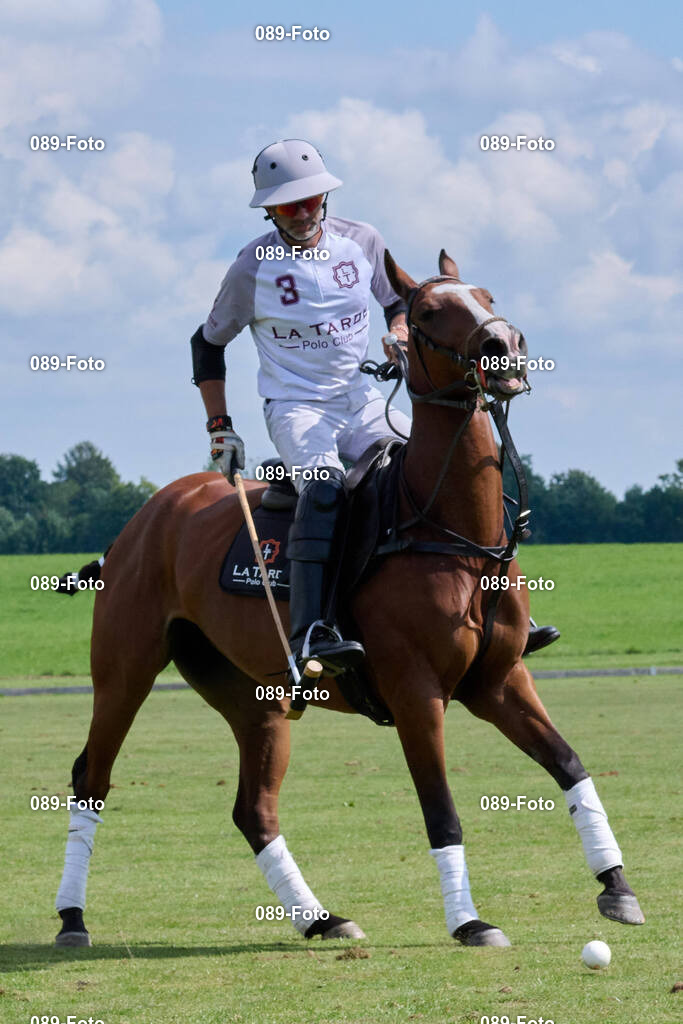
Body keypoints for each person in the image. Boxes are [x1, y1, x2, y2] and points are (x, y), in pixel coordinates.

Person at [191, 139, 558, 675]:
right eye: (289, 204)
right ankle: (312, 631)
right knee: (323, 488)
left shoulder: (362, 241)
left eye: (312, 200)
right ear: (268, 208)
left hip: (361, 398)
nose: (303, 212)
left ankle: (502, 615)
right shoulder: (252, 267)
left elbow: (397, 301)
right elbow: (207, 343)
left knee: (446, 470)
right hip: (298, 406)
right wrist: (220, 428)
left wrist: (398, 333)